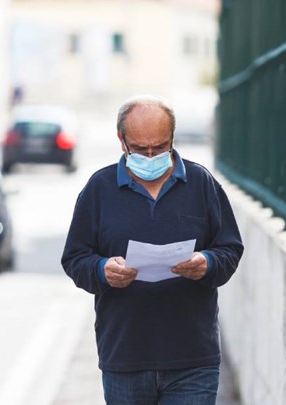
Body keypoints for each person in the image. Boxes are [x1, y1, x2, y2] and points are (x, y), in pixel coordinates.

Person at [61, 95, 244, 404]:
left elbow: (230, 248)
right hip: (125, 357)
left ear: (172, 139)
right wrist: (101, 270)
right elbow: (75, 258)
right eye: (139, 148)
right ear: (122, 141)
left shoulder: (201, 184)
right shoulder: (99, 189)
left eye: (159, 148)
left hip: (193, 358)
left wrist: (207, 262)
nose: (149, 156)